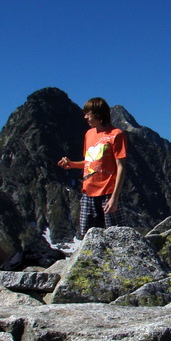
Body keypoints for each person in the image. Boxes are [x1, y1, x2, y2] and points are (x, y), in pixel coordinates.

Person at [57, 97, 128, 237]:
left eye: (88, 114)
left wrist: (115, 197)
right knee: (88, 237)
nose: (85, 117)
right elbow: (90, 162)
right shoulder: (89, 134)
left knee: (115, 237)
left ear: (98, 114)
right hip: (88, 193)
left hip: (107, 193)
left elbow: (122, 167)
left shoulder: (116, 135)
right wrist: (71, 164)